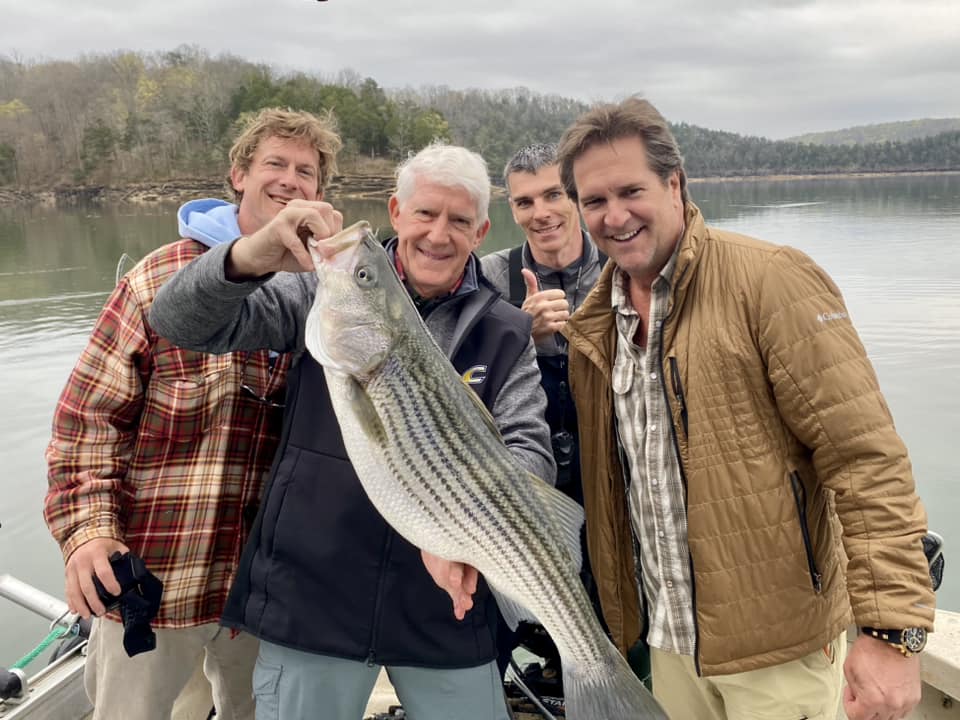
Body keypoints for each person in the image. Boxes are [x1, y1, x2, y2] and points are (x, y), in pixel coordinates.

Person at [556, 97, 935, 720]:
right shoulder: (595, 327)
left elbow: (866, 459)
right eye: (594, 201)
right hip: (667, 644)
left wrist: (892, 631)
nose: (614, 216)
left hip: (777, 651)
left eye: (631, 191)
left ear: (675, 184)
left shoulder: (770, 281)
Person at [148, 142, 555, 720]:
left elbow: (531, 451)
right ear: (396, 211)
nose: (439, 235)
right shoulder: (322, 294)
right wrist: (249, 255)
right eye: (425, 214)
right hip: (313, 599)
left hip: (449, 608)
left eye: (459, 221)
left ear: (482, 230)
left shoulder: (507, 331)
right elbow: (178, 321)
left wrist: (464, 529)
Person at [44, 107, 342, 720]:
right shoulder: (157, 277)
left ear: (319, 192)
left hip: (261, 593)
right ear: (238, 174)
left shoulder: (325, 298)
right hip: (155, 582)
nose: (290, 180)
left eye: (306, 171)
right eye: (274, 164)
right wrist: (88, 533)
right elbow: (87, 420)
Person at [480, 143, 609, 684]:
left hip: (608, 467)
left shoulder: (618, 266)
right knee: (509, 613)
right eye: (525, 201)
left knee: (609, 602)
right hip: (524, 467)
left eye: (554, 194)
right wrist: (517, 333)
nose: (542, 213)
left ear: (575, 194)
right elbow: (460, 377)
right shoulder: (489, 276)